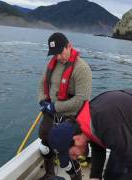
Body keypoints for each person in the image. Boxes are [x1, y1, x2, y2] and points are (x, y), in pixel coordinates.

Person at [48, 89, 132, 180]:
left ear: (76, 139)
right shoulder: (84, 124)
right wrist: (95, 176)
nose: (74, 158)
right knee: (111, 174)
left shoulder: (108, 126)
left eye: (71, 154)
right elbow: (97, 145)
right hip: (125, 126)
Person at [37, 32, 92, 180]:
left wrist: (55, 107)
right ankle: (49, 174)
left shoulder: (82, 68)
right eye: (55, 54)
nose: (58, 57)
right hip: (51, 114)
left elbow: (81, 99)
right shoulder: (53, 65)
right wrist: (42, 101)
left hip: (71, 118)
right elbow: (42, 84)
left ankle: (76, 177)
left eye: (60, 52)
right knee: (44, 147)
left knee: (66, 158)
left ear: (69, 46)